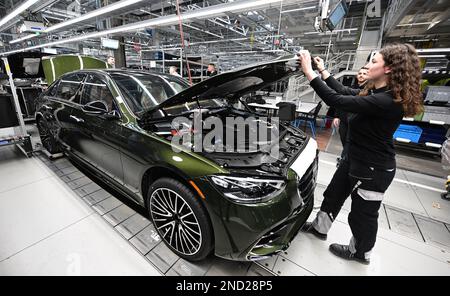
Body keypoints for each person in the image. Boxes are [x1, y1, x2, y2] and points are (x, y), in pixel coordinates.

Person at [298, 44, 423, 264]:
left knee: (362, 215)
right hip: (354, 158)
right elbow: (344, 92)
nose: (367, 65)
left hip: (374, 168)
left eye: (374, 62)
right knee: (333, 194)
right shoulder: (375, 92)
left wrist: (309, 73)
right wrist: (323, 71)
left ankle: (361, 252)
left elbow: (336, 100)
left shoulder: (387, 101)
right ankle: (320, 228)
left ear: (389, 69)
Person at [331, 66, 369, 164]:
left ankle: (345, 161)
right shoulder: (352, 88)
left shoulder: (368, 91)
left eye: (365, 74)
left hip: (356, 123)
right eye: (360, 73)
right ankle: (346, 158)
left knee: (350, 143)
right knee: (345, 141)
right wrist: (336, 116)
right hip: (344, 121)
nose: (361, 75)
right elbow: (341, 102)